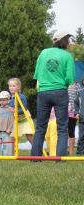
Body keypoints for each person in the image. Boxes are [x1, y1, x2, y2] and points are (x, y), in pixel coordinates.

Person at [31, 30, 75, 158]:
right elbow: (70, 78)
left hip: (43, 92)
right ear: (62, 41)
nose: (68, 41)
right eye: (67, 39)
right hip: (60, 92)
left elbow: (37, 74)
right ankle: (60, 158)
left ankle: (35, 158)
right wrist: (61, 83)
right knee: (62, 127)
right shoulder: (67, 56)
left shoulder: (43, 53)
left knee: (40, 127)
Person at [8, 78, 34, 144]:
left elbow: (24, 109)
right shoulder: (10, 98)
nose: (11, 88)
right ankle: (14, 154)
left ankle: (39, 153)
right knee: (13, 139)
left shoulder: (22, 97)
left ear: (18, 87)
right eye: (10, 86)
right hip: (17, 121)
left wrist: (14, 110)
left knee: (29, 136)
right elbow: (7, 108)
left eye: (14, 86)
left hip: (25, 119)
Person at [67, 82, 79, 155]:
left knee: (71, 131)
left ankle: (71, 153)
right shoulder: (65, 84)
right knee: (62, 132)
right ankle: (62, 150)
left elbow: (79, 100)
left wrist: (77, 111)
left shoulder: (78, 86)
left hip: (73, 112)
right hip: (63, 112)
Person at [74, 79, 84, 154]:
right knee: (81, 135)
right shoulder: (80, 92)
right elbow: (76, 103)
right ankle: (80, 151)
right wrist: (77, 113)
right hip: (82, 117)